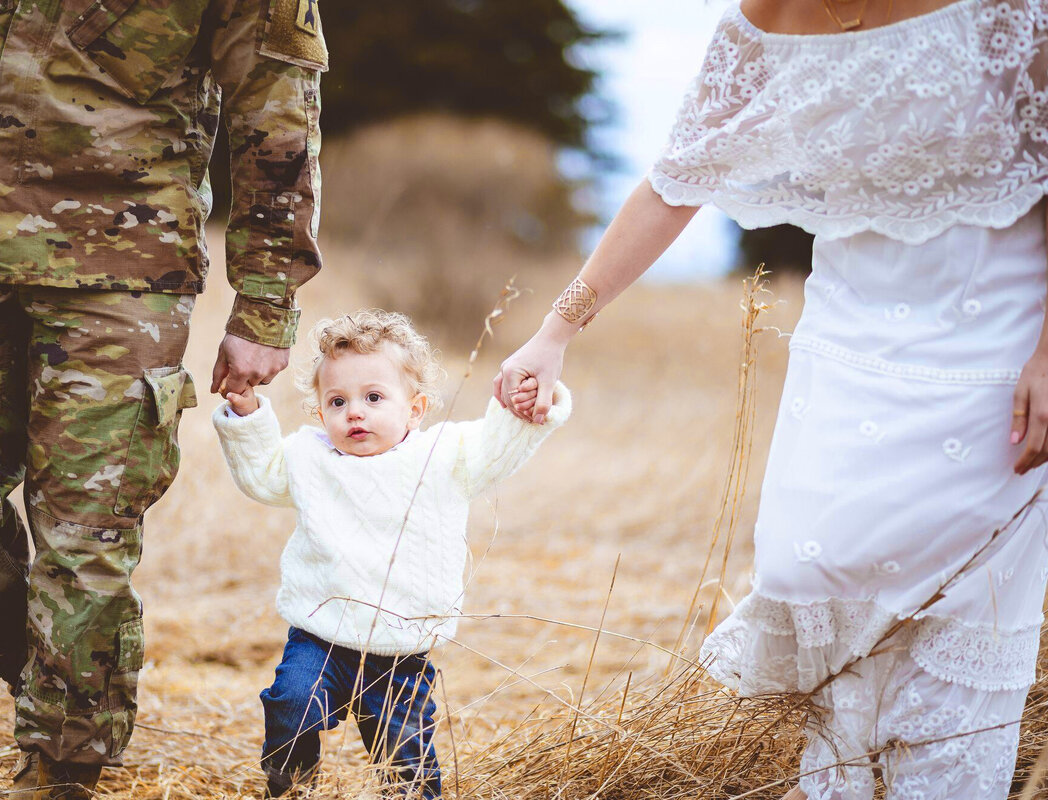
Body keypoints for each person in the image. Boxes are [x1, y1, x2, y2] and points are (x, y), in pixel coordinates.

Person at [494, 0, 1048, 797]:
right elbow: (675, 178)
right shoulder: (766, 19)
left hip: (994, 356)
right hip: (847, 354)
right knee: (807, 580)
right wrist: (556, 330)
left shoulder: (1004, 11)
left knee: (957, 632)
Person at [0, 0, 327, 796]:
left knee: (86, 532)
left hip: (125, 259)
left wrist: (266, 300)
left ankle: (62, 761)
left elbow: (276, 107)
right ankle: (49, 675)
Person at [212, 310, 570, 798]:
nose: (354, 412)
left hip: (401, 649)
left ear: (415, 409)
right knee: (290, 703)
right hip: (320, 637)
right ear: (320, 412)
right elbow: (262, 475)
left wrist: (525, 407)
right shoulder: (310, 458)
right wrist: (246, 415)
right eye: (337, 401)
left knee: (408, 766)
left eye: (374, 397)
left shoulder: (443, 458)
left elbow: (496, 447)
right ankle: (292, 786)